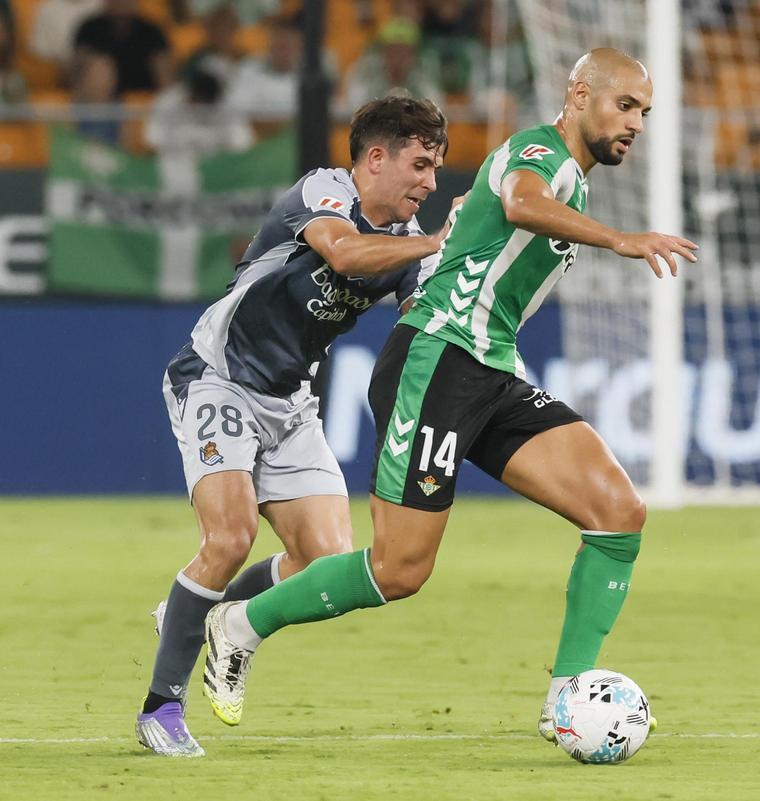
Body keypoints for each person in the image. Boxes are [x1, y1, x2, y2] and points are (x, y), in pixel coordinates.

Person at [200, 48, 697, 743]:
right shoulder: (539, 152)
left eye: (644, 111)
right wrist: (620, 240)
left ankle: (566, 698)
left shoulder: (575, 182)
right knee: (399, 568)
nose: (637, 122)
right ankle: (240, 622)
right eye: (626, 105)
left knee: (617, 512)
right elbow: (522, 203)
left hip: (491, 368)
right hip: (436, 359)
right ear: (581, 95)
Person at [135, 96, 452, 757]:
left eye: (435, 168)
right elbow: (343, 254)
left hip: (290, 402)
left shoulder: (412, 244)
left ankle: (202, 616)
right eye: (420, 165)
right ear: (376, 158)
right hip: (218, 376)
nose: (430, 182)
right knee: (230, 536)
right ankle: (161, 709)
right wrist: (434, 242)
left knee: (325, 560)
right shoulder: (324, 192)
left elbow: (421, 323)